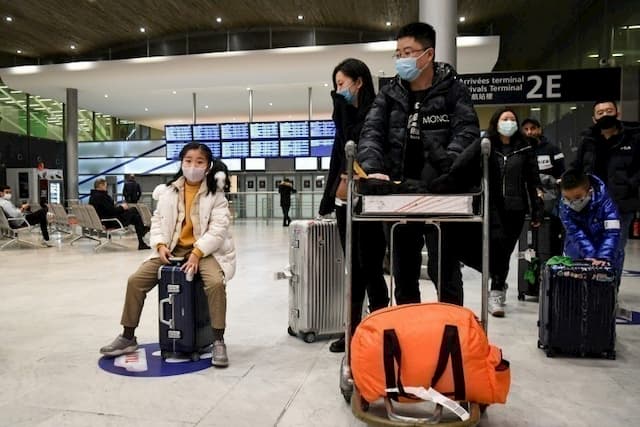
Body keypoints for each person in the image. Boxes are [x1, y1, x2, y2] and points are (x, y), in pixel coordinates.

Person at [357, 22, 480, 306]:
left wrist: (446, 168)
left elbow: (466, 134)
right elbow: (371, 133)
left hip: (442, 195)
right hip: (400, 195)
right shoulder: (389, 94)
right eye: (398, 53)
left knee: (445, 273)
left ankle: (449, 336)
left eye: (408, 52)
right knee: (404, 276)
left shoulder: (454, 91)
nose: (402, 59)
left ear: (428, 55)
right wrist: (373, 167)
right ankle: (409, 335)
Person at [99, 142, 236, 367]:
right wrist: (160, 244)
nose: (193, 166)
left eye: (199, 162)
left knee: (215, 284)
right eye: (188, 161)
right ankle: (127, 335)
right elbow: (157, 221)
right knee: (136, 281)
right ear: (181, 163)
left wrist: (197, 253)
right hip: (173, 249)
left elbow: (218, 230)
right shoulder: (169, 192)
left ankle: (218, 340)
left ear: (208, 166)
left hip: (205, 252)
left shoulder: (216, 196)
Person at [318, 58, 389, 353]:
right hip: (345, 197)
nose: (338, 91)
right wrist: (329, 198)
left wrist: (342, 110)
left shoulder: (376, 112)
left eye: (341, 84)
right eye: (336, 85)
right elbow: (339, 156)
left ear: (359, 82)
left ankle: (382, 329)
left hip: (371, 198)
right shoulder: (344, 113)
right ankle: (353, 329)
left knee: (370, 265)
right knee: (354, 268)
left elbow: (357, 140)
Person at [484, 108, 542, 317]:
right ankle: (497, 283)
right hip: (491, 207)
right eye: (504, 119)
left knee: (505, 250)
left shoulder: (524, 149)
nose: (509, 122)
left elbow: (533, 181)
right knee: (493, 250)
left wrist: (537, 209)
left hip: (515, 208)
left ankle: (496, 291)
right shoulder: (487, 146)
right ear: (496, 122)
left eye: (512, 119)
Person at [572, 100, 640, 277]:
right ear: (594, 118)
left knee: (613, 251)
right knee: (586, 252)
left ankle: (609, 297)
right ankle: (588, 295)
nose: (605, 115)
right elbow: (576, 167)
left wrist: (629, 185)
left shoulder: (633, 139)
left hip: (620, 207)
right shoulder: (587, 141)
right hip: (588, 207)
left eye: (608, 111)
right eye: (600, 113)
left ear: (617, 114)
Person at [559, 169, 621, 273]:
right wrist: (590, 255)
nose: (571, 203)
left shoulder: (607, 204)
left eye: (577, 198)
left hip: (608, 252)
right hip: (577, 253)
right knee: (573, 286)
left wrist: (603, 256)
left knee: (605, 283)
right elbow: (575, 233)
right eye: (567, 198)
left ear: (590, 191)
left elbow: (612, 232)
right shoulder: (564, 207)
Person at [521, 117, 566, 262]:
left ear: (539, 129)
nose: (529, 132)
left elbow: (561, 175)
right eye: (526, 129)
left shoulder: (553, 149)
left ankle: (552, 267)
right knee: (528, 240)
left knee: (551, 237)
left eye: (533, 128)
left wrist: (547, 181)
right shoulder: (521, 150)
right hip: (527, 203)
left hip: (550, 202)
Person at [89, 178, 150, 250]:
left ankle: (142, 238)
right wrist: (122, 207)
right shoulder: (101, 196)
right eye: (105, 185)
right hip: (111, 221)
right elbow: (112, 211)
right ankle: (142, 232)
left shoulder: (93, 197)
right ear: (101, 185)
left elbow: (107, 210)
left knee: (135, 217)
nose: (106, 187)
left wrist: (118, 207)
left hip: (105, 220)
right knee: (134, 210)